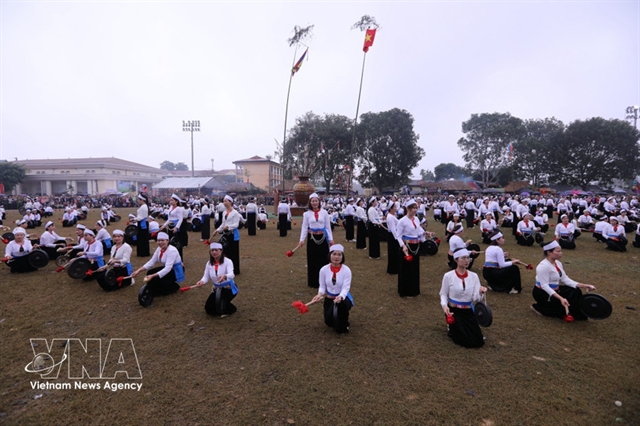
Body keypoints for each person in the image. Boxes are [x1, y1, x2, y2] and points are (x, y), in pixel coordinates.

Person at [531, 240, 596, 320]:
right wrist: (560, 298)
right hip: (543, 294)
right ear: (549, 252)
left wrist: (583, 285)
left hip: (556, 289)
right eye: (558, 251)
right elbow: (545, 286)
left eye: (560, 251)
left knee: (575, 291)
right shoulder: (543, 266)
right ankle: (538, 307)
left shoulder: (558, 263)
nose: (561, 253)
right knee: (559, 311)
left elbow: (564, 278)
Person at [439, 248, 487, 348]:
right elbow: (443, 294)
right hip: (454, 311)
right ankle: (451, 327)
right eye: (463, 258)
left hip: (468, 310)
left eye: (468, 258)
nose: (467, 261)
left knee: (478, 341)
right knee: (463, 339)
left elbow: (476, 299)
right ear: (456, 259)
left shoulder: (474, 276)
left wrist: (480, 292)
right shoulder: (448, 276)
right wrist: (445, 307)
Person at [131, 232, 185, 306]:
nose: (160, 242)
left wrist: (153, 276)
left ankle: (173, 287)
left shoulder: (172, 250)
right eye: (158, 240)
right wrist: (138, 271)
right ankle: (156, 289)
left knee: (156, 278)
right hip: (169, 268)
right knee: (150, 272)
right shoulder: (159, 249)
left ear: (167, 241)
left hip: (176, 270)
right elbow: (152, 262)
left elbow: (168, 268)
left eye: (162, 240)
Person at [309, 244, 353, 333]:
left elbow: (345, 288)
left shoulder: (346, 270)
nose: (336, 257)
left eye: (339, 254)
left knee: (340, 326)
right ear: (330, 255)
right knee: (329, 322)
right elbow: (322, 286)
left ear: (342, 257)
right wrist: (319, 295)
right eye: (334, 254)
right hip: (329, 298)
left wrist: (340, 297)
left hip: (343, 299)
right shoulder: (323, 270)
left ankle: (344, 322)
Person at [295, 193, 334, 288]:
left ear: (319, 202)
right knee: (312, 259)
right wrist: (301, 240)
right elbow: (304, 227)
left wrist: (331, 239)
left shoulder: (324, 213)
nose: (314, 203)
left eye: (316, 201)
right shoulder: (306, 214)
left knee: (323, 259)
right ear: (310, 202)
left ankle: (324, 281)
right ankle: (313, 281)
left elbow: (328, 227)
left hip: (323, 238)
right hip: (312, 239)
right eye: (313, 201)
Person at [197, 242, 238, 316]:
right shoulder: (209, 263)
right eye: (212, 250)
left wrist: (225, 276)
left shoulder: (228, 261)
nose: (214, 252)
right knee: (209, 309)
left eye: (216, 250)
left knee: (220, 308)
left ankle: (230, 309)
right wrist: (201, 281)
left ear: (221, 251)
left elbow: (232, 274)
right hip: (217, 288)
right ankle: (223, 305)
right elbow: (206, 277)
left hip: (228, 288)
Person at [395, 199, 425, 297]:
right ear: (408, 209)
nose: (415, 210)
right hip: (406, 246)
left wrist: (425, 233)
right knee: (406, 269)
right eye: (413, 208)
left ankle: (414, 290)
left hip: (415, 246)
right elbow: (398, 235)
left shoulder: (416, 219)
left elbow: (418, 231)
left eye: (416, 208)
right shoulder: (402, 221)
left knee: (414, 268)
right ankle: (406, 291)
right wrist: (403, 246)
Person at [211, 195, 242, 274]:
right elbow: (223, 223)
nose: (224, 203)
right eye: (224, 201)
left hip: (232, 235)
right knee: (225, 251)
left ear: (230, 202)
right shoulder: (224, 212)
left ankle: (235, 270)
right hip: (226, 234)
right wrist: (217, 230)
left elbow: (236, 224)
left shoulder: (235, 213)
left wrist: (228, 227)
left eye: (226, 201)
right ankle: (227, 269)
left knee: (233, 252)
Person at [386, 201, 400, 275]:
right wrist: (397, 238)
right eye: (394, 207)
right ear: (391, 209)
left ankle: (394, 268)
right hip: (393, 236)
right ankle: (393, 269)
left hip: (393, 235)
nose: (396, 208)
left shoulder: (392, 215)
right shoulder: (390, 217)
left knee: (394, 252)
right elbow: (393, 229)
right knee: (393, 252)